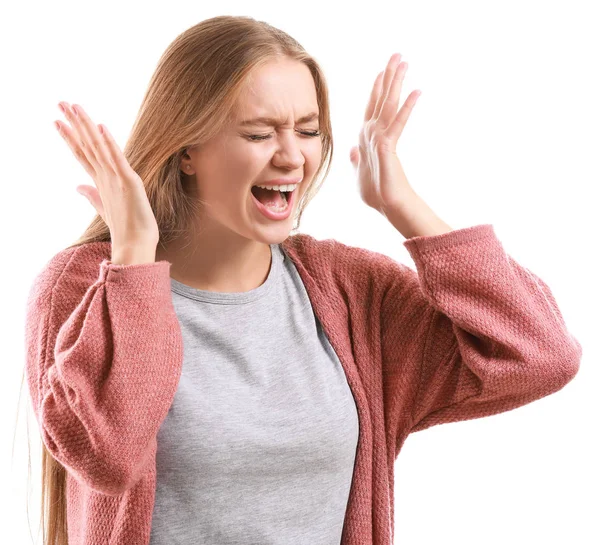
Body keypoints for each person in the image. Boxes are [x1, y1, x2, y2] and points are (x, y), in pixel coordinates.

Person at [24, 15, 582, 545]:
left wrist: (404, 204)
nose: (293, 156)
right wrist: (133, 264)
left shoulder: (348, 292)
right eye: (260, 132)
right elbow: (107, 454)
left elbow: (540, 354)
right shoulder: (84, 288)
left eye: (309, 130)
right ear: (188, 148)